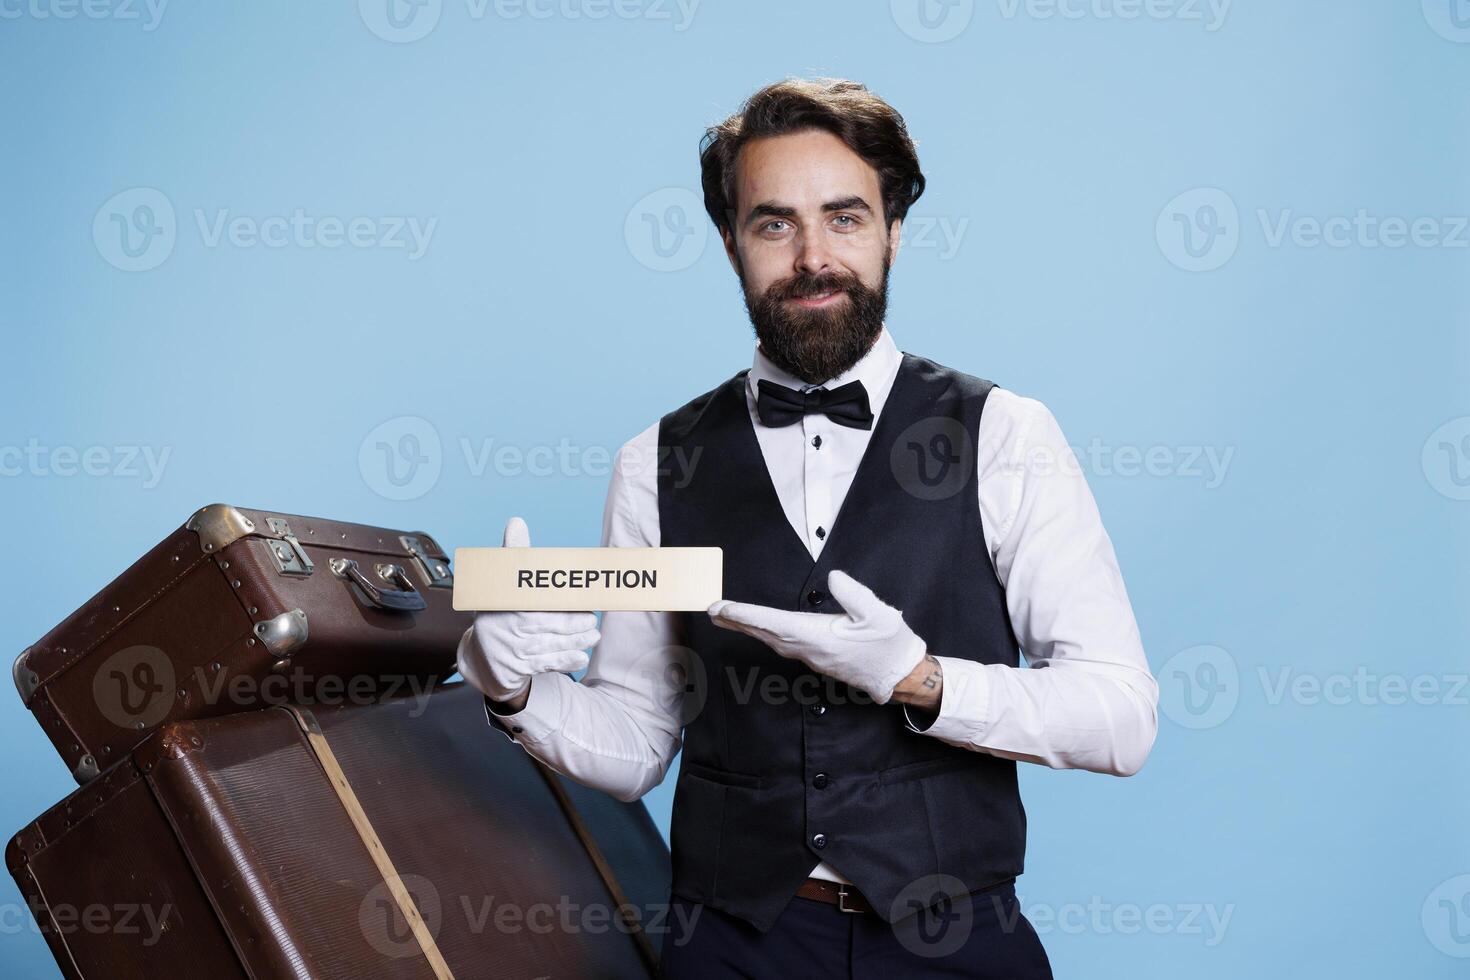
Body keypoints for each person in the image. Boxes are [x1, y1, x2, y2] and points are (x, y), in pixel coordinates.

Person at [456, 76, 1158, 979]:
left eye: (846, 217)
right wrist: (514, 695)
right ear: (729, 242)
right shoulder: (656, 462)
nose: (812, 256)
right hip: (733, 945)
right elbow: (636, 740)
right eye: (774, 223)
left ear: (894, 232)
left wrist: (920, 679)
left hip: (954, 943)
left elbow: (1121, 718)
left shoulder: (1008, 436)